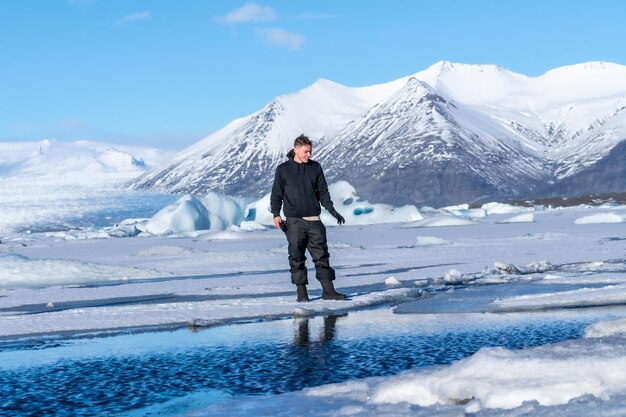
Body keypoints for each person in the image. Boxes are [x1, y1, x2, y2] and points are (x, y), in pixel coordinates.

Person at [270, 134, 347, 302]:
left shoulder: (315, 167)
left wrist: (332, 211)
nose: (309, 155)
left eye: (310, 152)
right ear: (296, 149)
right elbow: (276, 194)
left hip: (314, 221)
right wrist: (276, 214)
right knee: (296, 257)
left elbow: (323, 192)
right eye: (305, 152)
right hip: (294, 221)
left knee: (322, 256)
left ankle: (328, 291)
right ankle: (302, 294)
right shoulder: (283, 170)